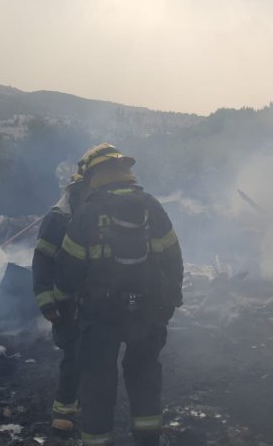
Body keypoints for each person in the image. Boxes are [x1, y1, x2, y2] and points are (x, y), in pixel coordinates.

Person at [57, 144, 183, 446]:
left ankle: (98, 440)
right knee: (144, 374)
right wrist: (170, 301)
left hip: (100, 315)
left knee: (98, 380)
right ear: (126, 172)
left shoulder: (88, 212)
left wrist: (62, 306)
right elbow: (173, 257)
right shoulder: (151, 206)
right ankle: (148, 436)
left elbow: (68, 267)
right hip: (148, 310)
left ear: (94, 176)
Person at [32, 172, 88, 434]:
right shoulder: (58, 218)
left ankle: (81, 402)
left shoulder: (94, 215)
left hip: (93, 301)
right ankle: (63, 412)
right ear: (75, 191)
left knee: (94, 354)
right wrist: (46, 302)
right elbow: (42, 261)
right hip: (66, 302)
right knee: (74, 355)